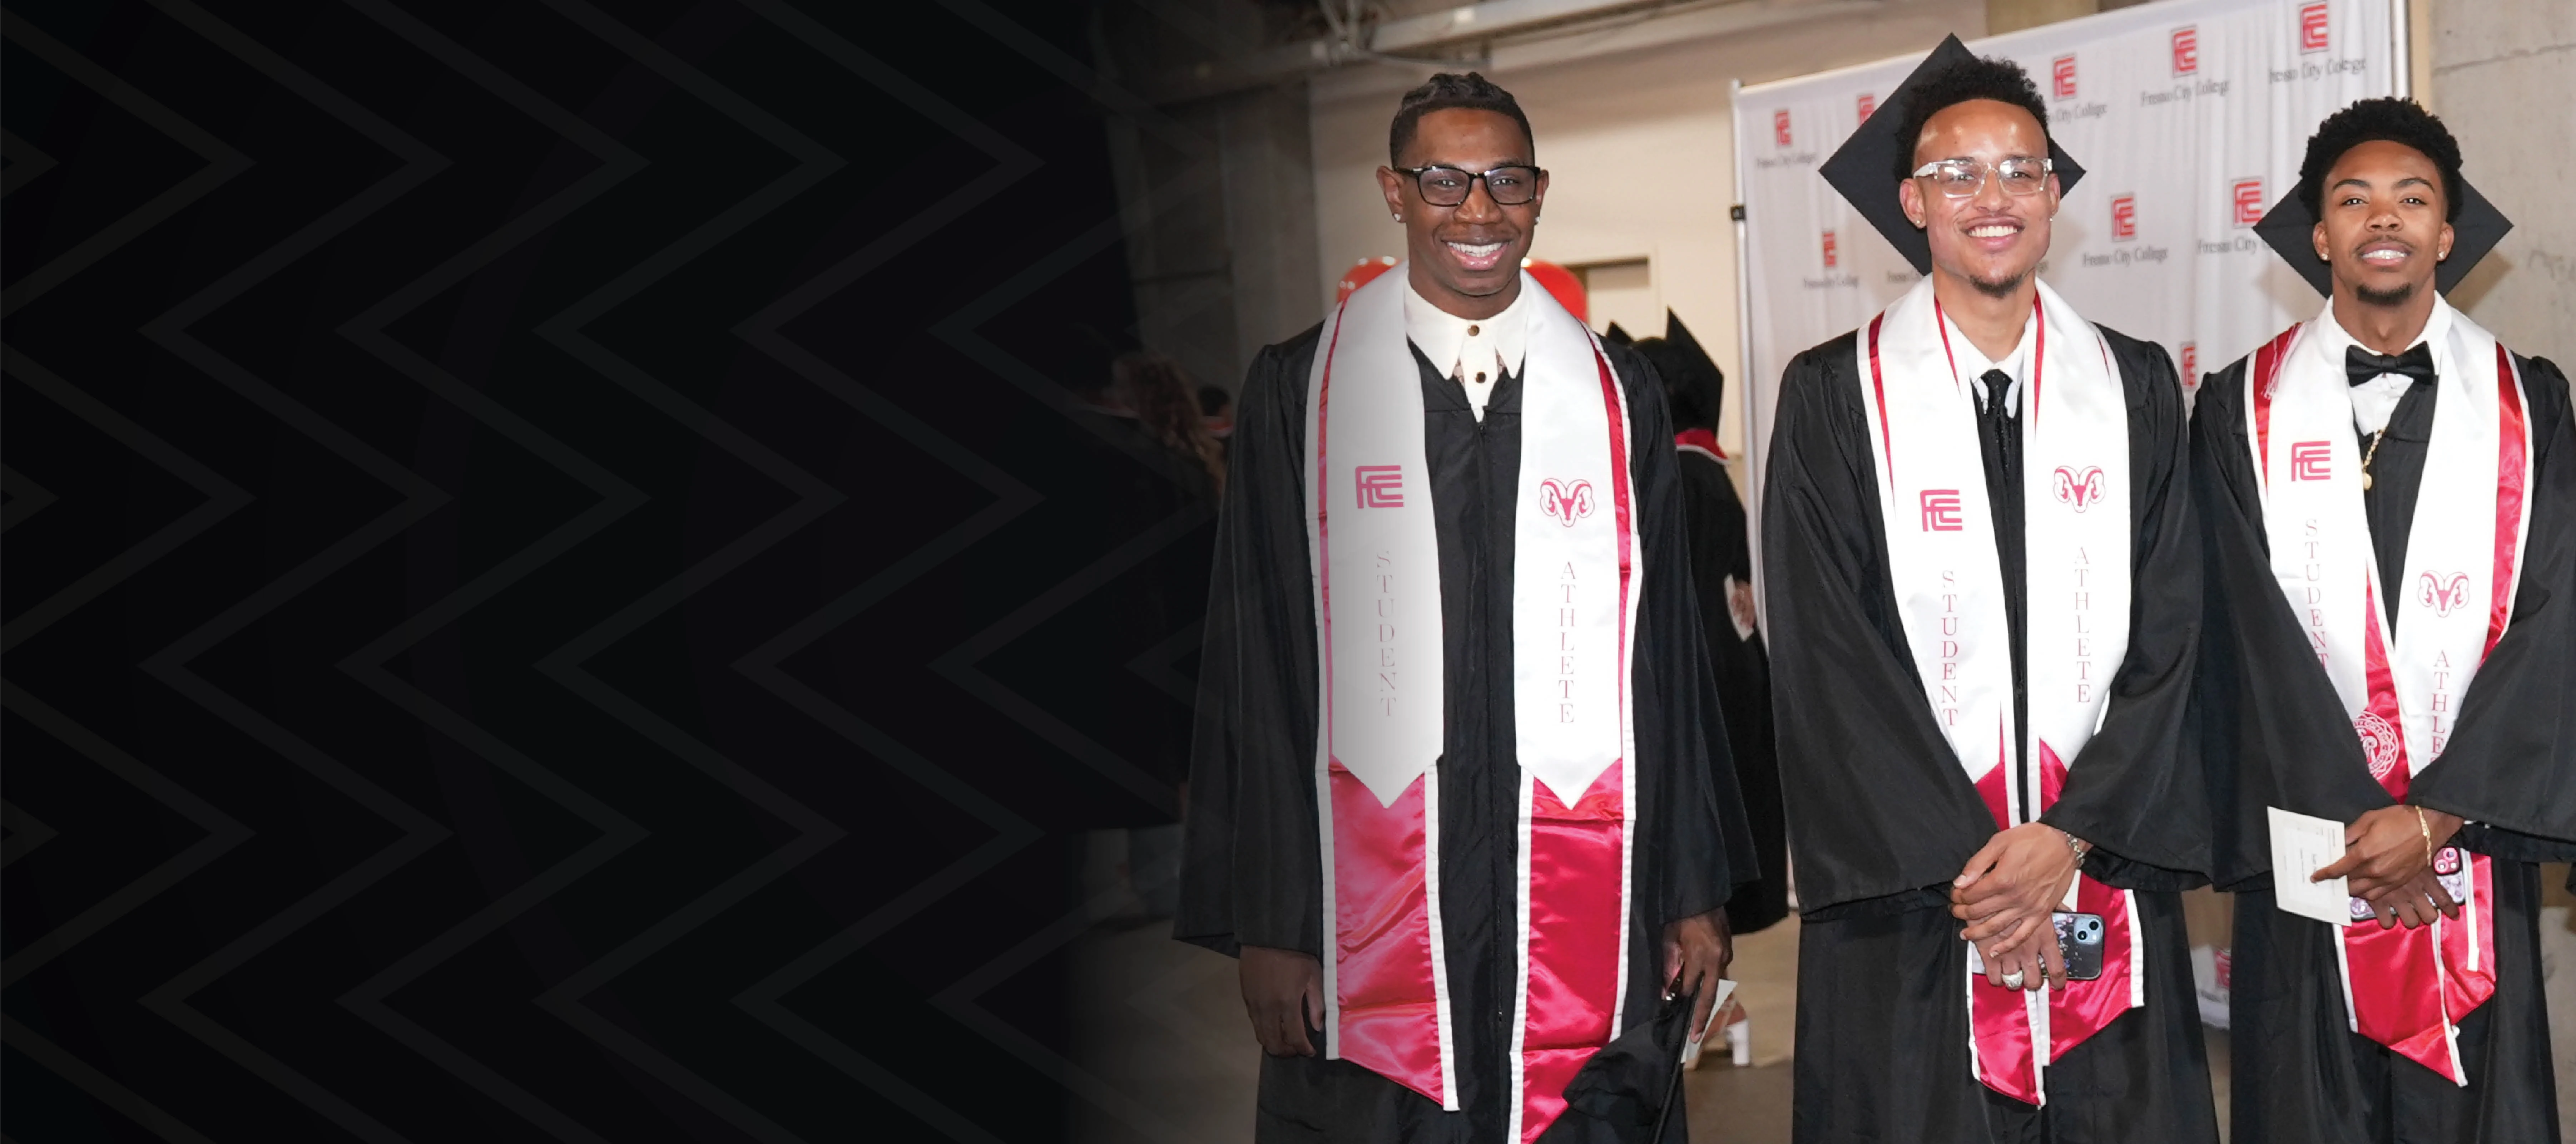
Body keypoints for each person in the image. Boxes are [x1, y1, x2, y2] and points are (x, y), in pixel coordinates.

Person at [1176, 71, 1756, 1142]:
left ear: (1540, 195)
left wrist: (1690, 884)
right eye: (1444, 180)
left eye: (1506, 182)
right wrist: (1272, 920)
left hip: (1583, 887)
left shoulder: (1617, 394)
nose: (1477, 211)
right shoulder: (1301, 390)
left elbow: (1665, 663)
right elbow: (1259, 664)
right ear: (1394, 192)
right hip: (1371, 920)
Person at [1761, 41, 2215, 1141]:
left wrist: (2070, 836)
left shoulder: (2135, 385)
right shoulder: (1833, 396)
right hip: (1917, 908)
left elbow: (2175, 634)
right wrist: (1986, 883)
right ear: (1912, 201)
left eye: (2019, 170)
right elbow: (1829, 658)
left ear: (2054, 194)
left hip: (2097, 879)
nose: (1992, 197)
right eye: (1958, 176)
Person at [2195, 97, 2573, 1144]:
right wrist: (2360, 831)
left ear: (2448, 232)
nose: (2385, 220)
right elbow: (2239, 638)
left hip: (2472, 849)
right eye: (2353, 200)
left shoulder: (2530, 405)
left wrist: (2438, 816)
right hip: (2312, 854)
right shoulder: (2236, 408)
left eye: (2414, 198)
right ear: (2319, 234)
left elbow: (2556, 617)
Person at [1632, 314, 1789, 935]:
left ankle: (1710, 1012)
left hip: (1706, 693)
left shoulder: (1682, 481)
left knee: (1705, 879)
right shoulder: (1705, 475)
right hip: (1733, 681)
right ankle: (1719, 1011)